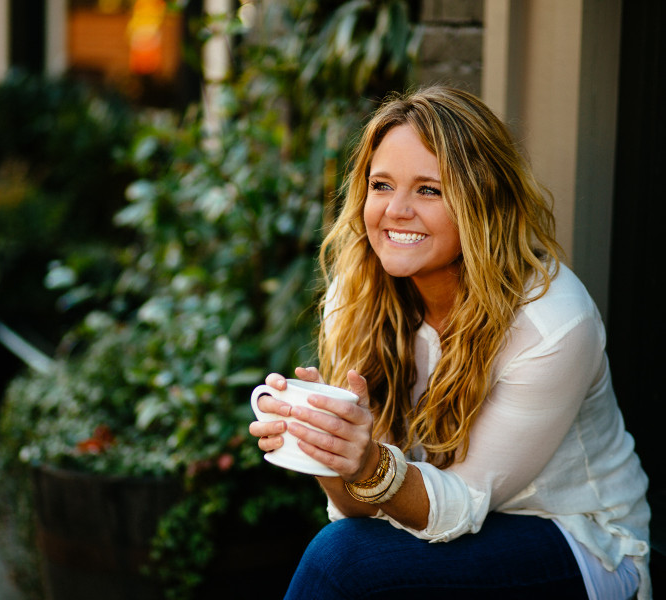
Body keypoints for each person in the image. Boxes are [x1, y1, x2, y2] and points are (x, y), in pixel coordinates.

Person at [249, 86, 651, 599]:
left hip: (579, 540)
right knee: (346, 550)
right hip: (436, 523)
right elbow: (361, 512)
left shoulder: (551, 323)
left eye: (428, 190)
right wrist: (330, 450)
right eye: (381, 185)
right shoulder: (355, 299)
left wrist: (371, 464)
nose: (396, 210)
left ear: (482, 200)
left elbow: (461, 501)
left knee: (343, 562)